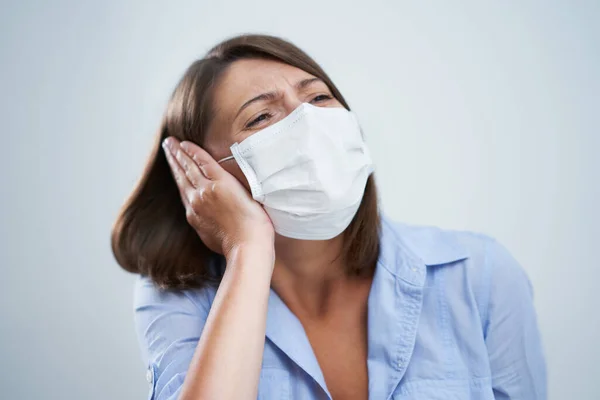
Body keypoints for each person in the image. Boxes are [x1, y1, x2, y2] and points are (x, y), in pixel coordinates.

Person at [111, 34, 547, 400]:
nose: (309, 121)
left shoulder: (480, 276)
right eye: (261, 116)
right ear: (200, 170)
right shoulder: (179, 297)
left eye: (319, 96)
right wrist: (247, 249)